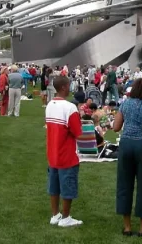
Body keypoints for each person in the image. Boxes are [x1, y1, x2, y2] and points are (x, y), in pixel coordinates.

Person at [113, 78, 142, 237]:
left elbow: (115, 127)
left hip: (125, 145)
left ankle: (126, 226)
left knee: (124, 184)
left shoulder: (125, 104)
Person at [45, 76, 83, 227]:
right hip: (67, 154)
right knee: (68, 185)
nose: (70, 88)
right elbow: (77, 132)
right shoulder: (70, 107)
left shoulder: (49, 104)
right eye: (69, 86)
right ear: (63, 87)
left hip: (53, 152)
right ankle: (66, 217)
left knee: (54, 185)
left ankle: (55, 215)